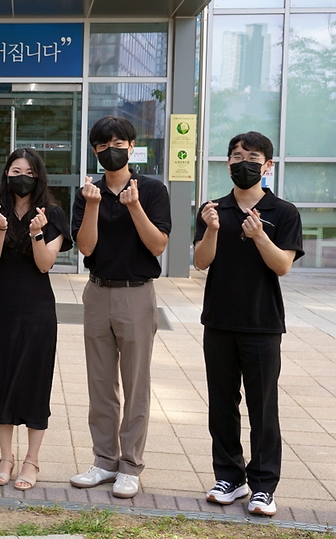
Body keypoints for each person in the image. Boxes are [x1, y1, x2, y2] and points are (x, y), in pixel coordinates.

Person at [193, 131, 303, 517]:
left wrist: (258, 236)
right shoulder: (213, 209)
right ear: (227, 162)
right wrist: (211, 230)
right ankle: (229, 476)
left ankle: (263, 486)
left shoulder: (283, 212)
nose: (244, 162)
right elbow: (201, 262)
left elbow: (283, 266)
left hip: (262, 325)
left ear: (267, 165)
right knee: (222, 406)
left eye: (253, 157)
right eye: (237, 155)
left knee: (263, 408)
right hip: (219, 322)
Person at [69, 116, 171, 499]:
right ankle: (104, 460)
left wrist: (134, 207)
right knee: (100, 383)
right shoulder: (87, 192)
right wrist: (93, 205)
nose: (109, 149)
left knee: (136, 383)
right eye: (101, 144)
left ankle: (131, 465)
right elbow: (86, 247)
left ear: (131, 146)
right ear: (95, 151)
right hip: (97, 292)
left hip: (136, 293)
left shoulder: (152, 190)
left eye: (117, 142)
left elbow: (158, 245)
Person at [0, 148, 71, 491]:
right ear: (6, 175)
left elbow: (45, 264)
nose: (21, 176)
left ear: (39, 176)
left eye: (28, 170)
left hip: (37, 307)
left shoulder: (52, 213)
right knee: (1, 378)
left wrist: (37, 233)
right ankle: (5, 457)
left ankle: (32, 460)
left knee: (33, 381)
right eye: (15, 169)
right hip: (1, 304)